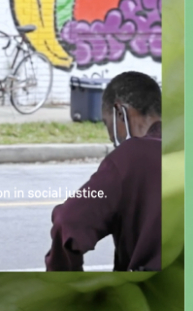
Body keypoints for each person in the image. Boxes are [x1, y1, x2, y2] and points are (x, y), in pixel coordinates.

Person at [47, 69, 162, 271]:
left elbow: (68, 222)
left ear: (120, 113)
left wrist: (67, 283)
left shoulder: (129, 158)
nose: (110, 137)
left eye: (107, 124)